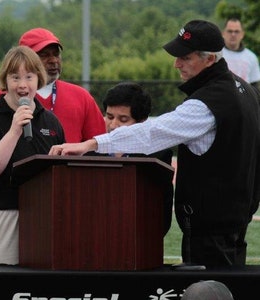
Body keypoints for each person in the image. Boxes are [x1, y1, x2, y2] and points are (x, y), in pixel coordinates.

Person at [49, 20, 260, 268]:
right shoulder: (245, 90)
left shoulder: (207, 103)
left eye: (185, 57)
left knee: (209, 291)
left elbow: (153, 132)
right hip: (236, 221)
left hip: (211, 232)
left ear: (209, 59)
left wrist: (90, 144)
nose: (176, 63)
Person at [0, 45, 66, 265]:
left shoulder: (51, 123)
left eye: (29, 77)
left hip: (41, 222)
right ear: (5, 81)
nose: (22, 85)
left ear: (38, 79)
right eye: (15, 77)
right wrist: (14, 130)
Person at [0, 27, 106, 142]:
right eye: (44, 55)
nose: (53, 60)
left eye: (56, 54)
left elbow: (98, 145)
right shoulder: (0, 97)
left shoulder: (81, 96)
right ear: (25, 59)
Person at [90, 81, 174, 236]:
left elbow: (162, 209)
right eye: (109, 117)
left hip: (139, 237)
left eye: (123, 120)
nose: (113, 125)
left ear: (142, 122)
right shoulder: (89, 151)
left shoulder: (157, 155)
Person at [222, 17, 260, 90]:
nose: (233, 34)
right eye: (230, 31)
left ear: (242, 34)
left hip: (245, 99)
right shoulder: (216, 55)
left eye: (237, 31)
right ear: (223, 33)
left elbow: (255, 87)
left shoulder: (251, 57)